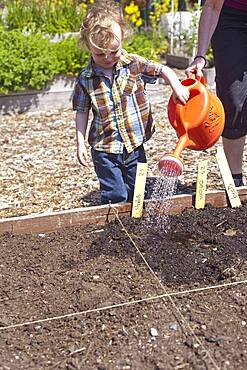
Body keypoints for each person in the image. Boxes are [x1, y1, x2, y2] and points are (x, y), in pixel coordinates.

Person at [72, 0, 189, 204]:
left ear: (123, 38)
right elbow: (81, 111)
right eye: (100, 54)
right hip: (104, 148)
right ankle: (117, 224)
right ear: (87, 46)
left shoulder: (133, 64)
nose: (108, 58)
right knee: (115, 195)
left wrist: (176, 85)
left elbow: (162, 70)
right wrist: (80, 142)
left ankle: (135, 221)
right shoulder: (86, 78)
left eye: (114, 51)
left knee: (138, 191)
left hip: (134, 144)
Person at [185, 0, 247, 187]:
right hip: (230, 19)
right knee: (234, 98)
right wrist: (200, 56)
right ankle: (235, 180)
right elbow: (212, 6)